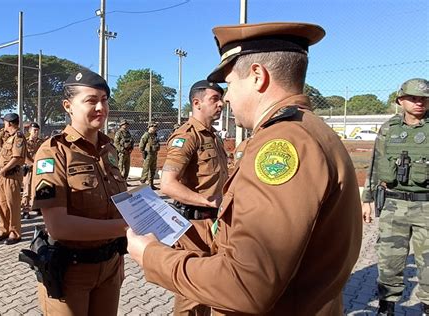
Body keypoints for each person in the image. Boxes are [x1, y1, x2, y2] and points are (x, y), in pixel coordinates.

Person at [126, 22, 363, 315]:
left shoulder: (282, 144)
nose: (227, 98)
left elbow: (245, 284)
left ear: (257, 77)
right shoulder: (308, 130)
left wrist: (151, 257)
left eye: (229, 84)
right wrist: (182, 232)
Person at [31, 69, 128, 315]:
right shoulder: (53, 153)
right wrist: (127, 227)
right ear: (68, 106)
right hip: (70, 273)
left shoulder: (109, 150)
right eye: (91, 100)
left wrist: (119, 257)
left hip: (110, 266)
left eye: (104, 100)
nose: (100, 107)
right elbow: (59, 226)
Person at [361, 78, 429, 315]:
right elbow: (375, 164)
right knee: (389, 262)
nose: (419, 102)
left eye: (424, 98)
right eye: (413, 98)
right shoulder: (389, 128)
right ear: (401, 100)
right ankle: (386, 307)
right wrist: (367, 199)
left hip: (427, 206)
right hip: (394, 205)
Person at [161, 79, 228, 314]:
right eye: (215, 99)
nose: (221, 104)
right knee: (191, 295)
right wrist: (207, 201)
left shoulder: (213, 136)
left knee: (211, 289)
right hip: (194, 226)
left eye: (221, 99)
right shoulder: (187, 136)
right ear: (197, 103)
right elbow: (168, 184)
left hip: (216, 223)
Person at [0, 113, 26, 245]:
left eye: (5, 122)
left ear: (10, 123)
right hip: (1, 175)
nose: (4, 124)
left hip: (11, 176)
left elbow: (17, 158)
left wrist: (4, 169)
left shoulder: (18, 137)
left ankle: (15, 233)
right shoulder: (8, 138)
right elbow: (3, 155)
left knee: (13, 205)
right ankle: (3, 229)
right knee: (1, 204)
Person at [20, 122, 44, 219]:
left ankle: (37, 206)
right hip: (29, 168)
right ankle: (25, 210)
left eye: (37, 130)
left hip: (39, 168)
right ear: (30, 131)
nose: (36, 132)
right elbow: (24, 155)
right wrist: (32, 164)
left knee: (39, 188)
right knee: (27, 189)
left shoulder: (41, 142)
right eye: (34, 130)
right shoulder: (25, 142)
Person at [139, 122, 160, 190]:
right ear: (149, 127)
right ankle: (142, 185)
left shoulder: (155, 135)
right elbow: (141, 145)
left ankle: (151, 184)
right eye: (153, 127)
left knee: (153, 170)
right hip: (148, 155)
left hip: (154, 154)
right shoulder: (146, 135)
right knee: (146, 170)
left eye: (155, 127)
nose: (154, 128)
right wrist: (143, 153)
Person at [114, 119, 134, 184]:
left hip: (128, 152)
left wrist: (131, 148)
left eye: (126, 124)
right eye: (124, 124)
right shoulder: (119, 133)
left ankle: (124, 181)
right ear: (121, 125)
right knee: (120, 168)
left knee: (127, 168)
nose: (125, 126)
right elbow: (116, 143)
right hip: (121, 153)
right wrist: (122, 150)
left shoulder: (128, 132)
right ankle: (119, 182)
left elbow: (132, 141)